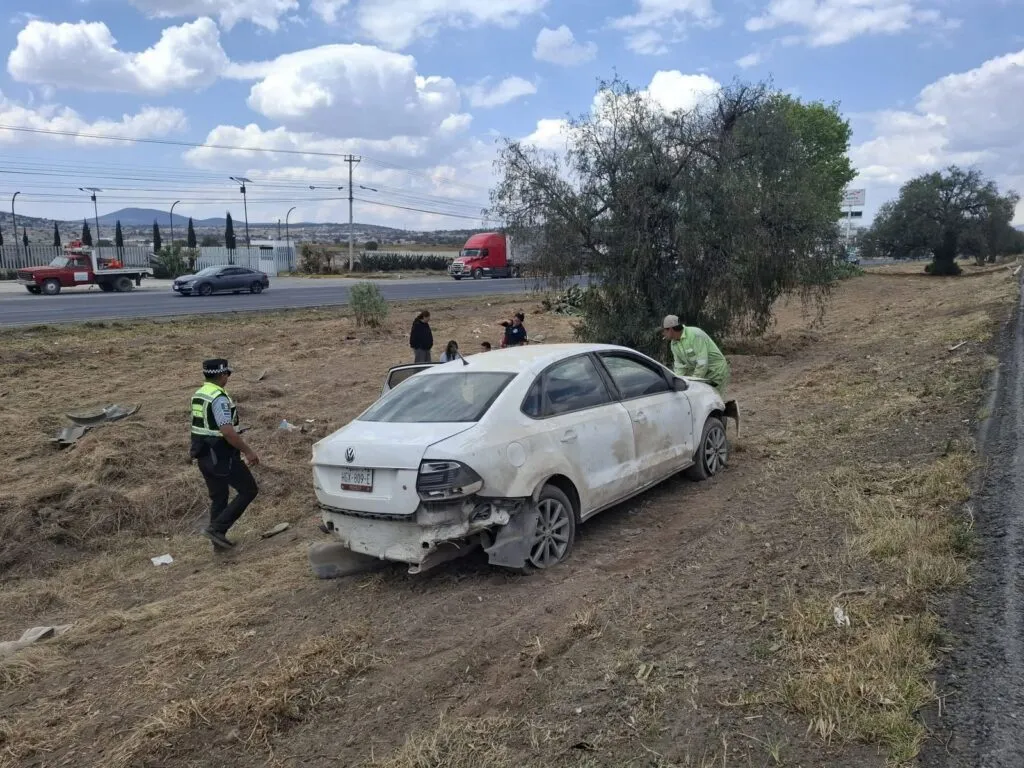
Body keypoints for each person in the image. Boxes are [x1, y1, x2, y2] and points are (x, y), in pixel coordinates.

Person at [190, 358, 260, 550]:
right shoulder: (218, 397)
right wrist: (248, 451)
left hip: (202, 452)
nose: (228, 377)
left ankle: (218, 543)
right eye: (227, 374)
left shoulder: (200, 393)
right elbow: (227, 431)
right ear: (222, 375)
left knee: (219, 496)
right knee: (249, 490)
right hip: (220, 453)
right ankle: (217, 528)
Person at [661, 315, 730, 398]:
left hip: (715, 371)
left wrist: (693, 382)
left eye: (664, 331)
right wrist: (677, 382)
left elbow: (702, 363)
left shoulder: (695, 334)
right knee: (702, 400)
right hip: (701, 374)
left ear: (671, 329)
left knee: (714, 399)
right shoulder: (674, 344)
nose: (663, 333)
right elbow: (679, 366)